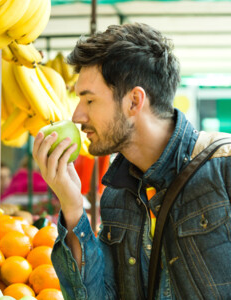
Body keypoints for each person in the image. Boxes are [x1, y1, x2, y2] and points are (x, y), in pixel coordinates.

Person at [32, 23, 231, 299]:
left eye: (89, 101)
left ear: (134, 101)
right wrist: (72, 205)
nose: (76, 116)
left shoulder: (223, 169)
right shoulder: (117, 194)